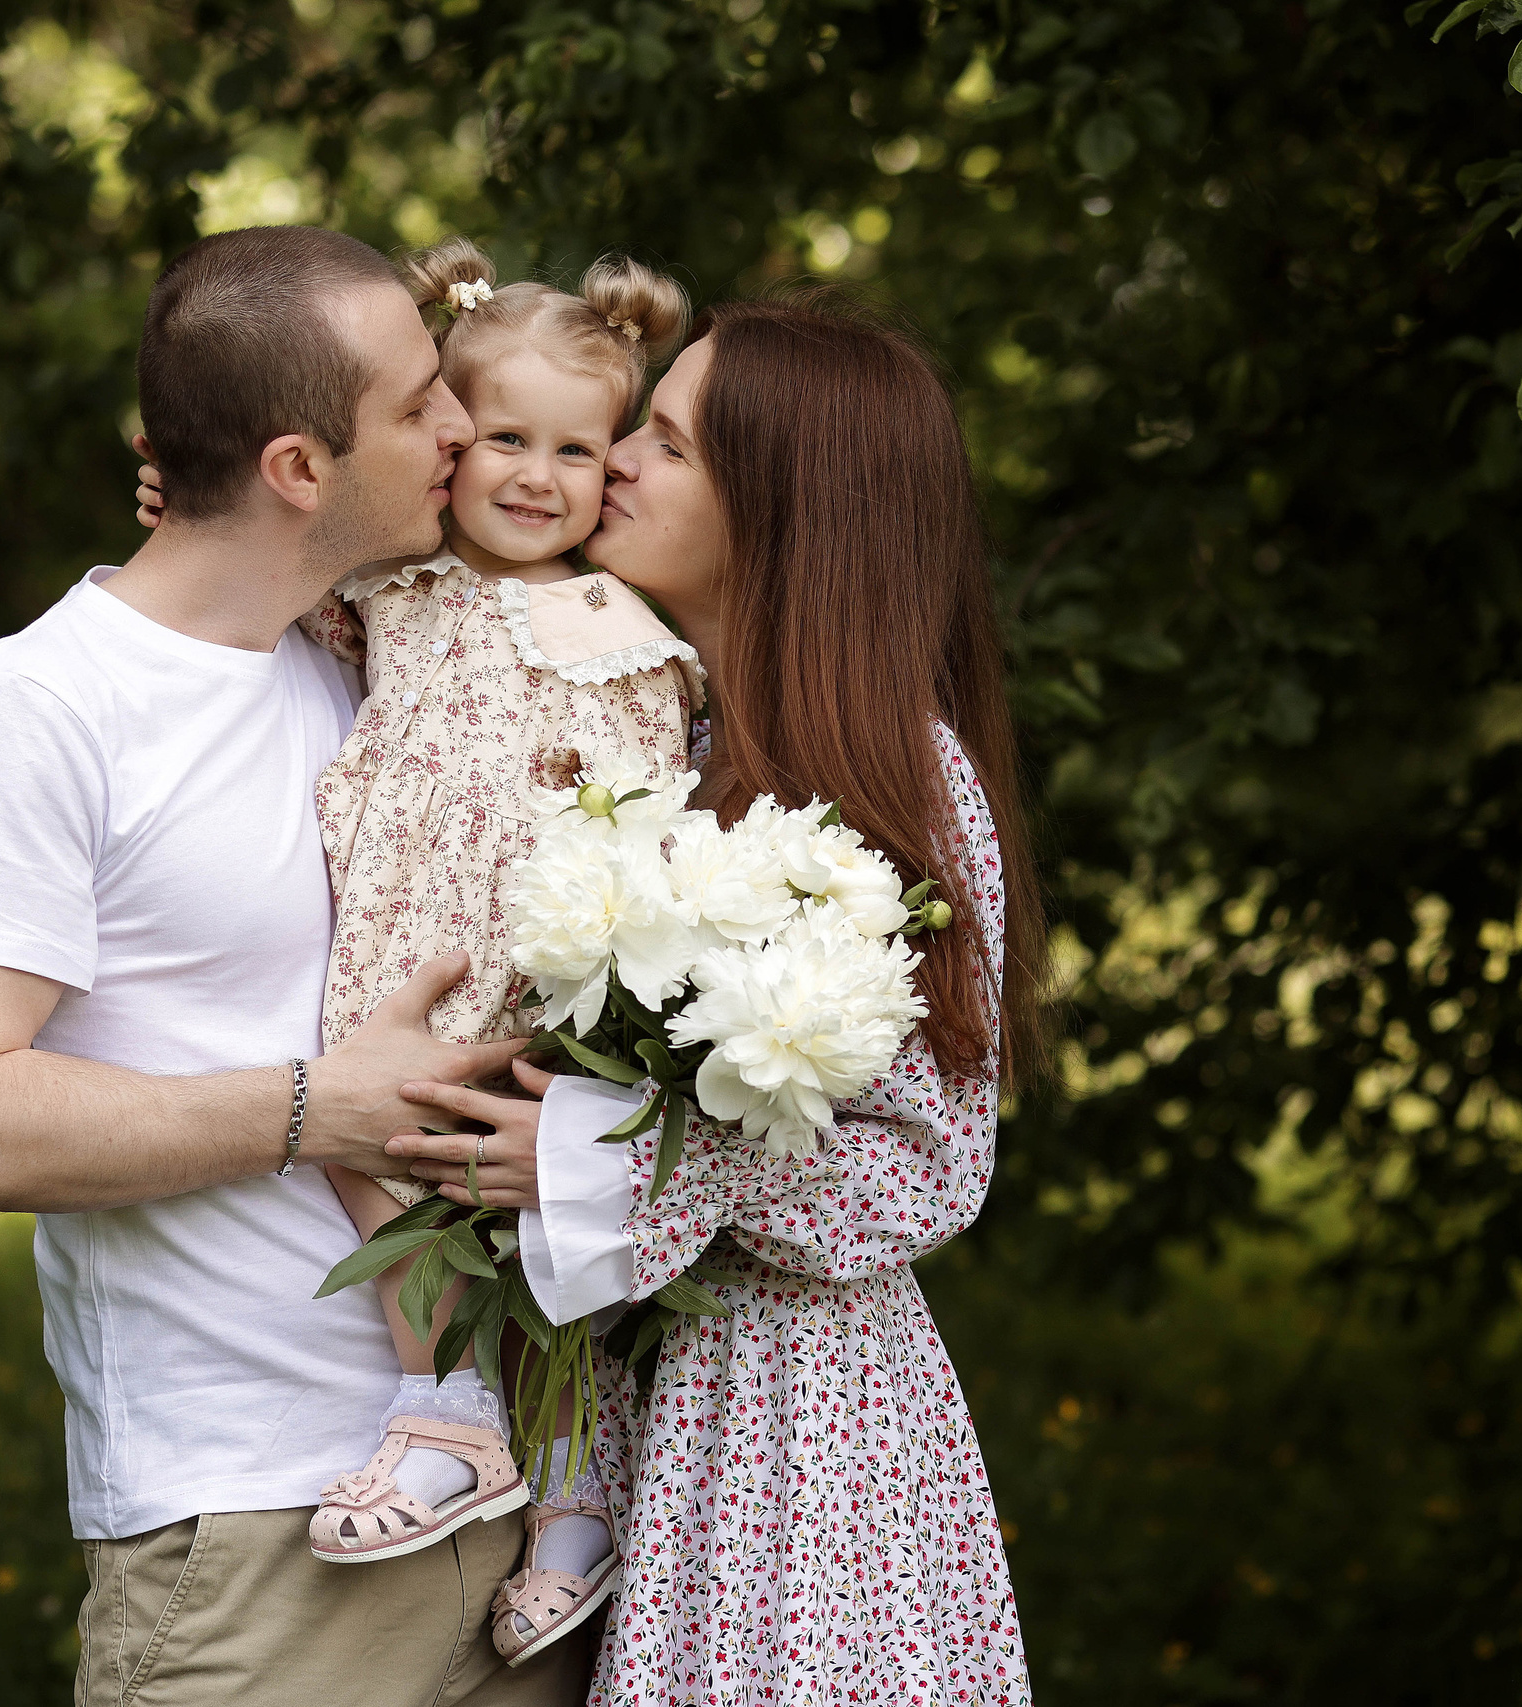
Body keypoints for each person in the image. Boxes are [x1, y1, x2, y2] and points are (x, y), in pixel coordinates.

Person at [0, 224, 589, 1707]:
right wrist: (316, 1107)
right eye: (419, 407)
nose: (462, 424)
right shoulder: (34, 714)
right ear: (295, 469)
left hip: (525, 1522)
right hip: (258, 1534)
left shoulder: (380, 662)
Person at [380, 294, 1048, 1704]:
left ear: (782, 508)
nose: (612, 457)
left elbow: (929, 1172)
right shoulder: (642, 725)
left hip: (798, 1428)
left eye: (667, 444)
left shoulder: (897, 782)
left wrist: (600, 1161)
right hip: (635, 1410)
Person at [135, 237, 696, 1667]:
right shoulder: (400, 589)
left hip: (550, 961)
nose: (534, 474)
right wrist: (173, 496)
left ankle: (571, 1485)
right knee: (368, 1149)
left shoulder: (637, 627)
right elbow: (249, 557)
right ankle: (449, 1408)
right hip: (401, 950)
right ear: (446, 434)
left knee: (544, 1210)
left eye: (577, 449)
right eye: (502, 435)